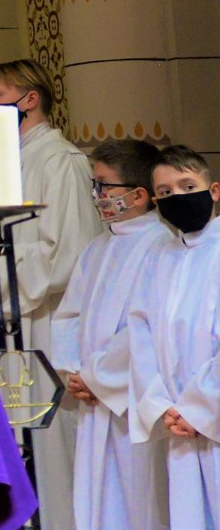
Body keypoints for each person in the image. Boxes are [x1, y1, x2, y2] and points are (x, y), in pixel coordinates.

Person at [0, 60, 102, 530]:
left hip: (45, 320)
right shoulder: (11, 162)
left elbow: (72, 252)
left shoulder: (59, 161)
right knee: (17, 435)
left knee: (51, 441)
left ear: (30, 99)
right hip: (13, 317)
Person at [50, 138, 170, 530]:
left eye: (103, 185)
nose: (96, 195)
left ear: (139, 194)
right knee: (97, 502)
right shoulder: (97, 249)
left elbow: (147, 328)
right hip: (93, 399)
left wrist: (98, 377)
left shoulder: (163, 247)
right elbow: (68, 315)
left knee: (139, 502)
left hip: (132, 403)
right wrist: (72, 371)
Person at [127, 144, 220, 526]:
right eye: (164, 193)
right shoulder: (158, 258)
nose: (176, 197)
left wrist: (201, 408)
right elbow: (140, 332)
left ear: (214, 191)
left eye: (186, 186)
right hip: (178, 424)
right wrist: (161, 404)